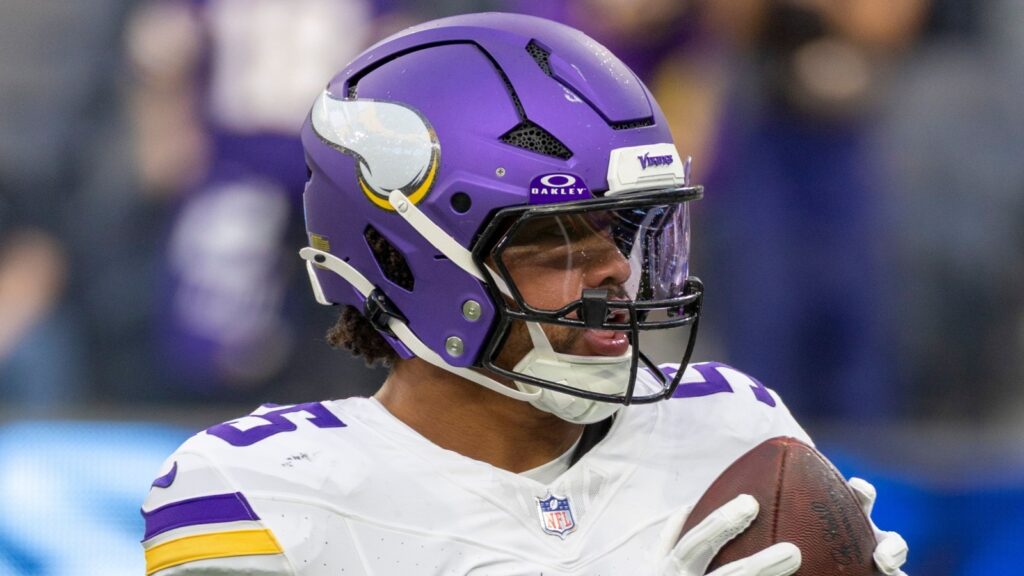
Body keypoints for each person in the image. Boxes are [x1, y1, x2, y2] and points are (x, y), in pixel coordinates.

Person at [140, 13, 908, 575]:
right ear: (407, 258)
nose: (614, 268)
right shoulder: (260, 490)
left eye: (626, 230)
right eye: (559, 237)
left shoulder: (733, 426)